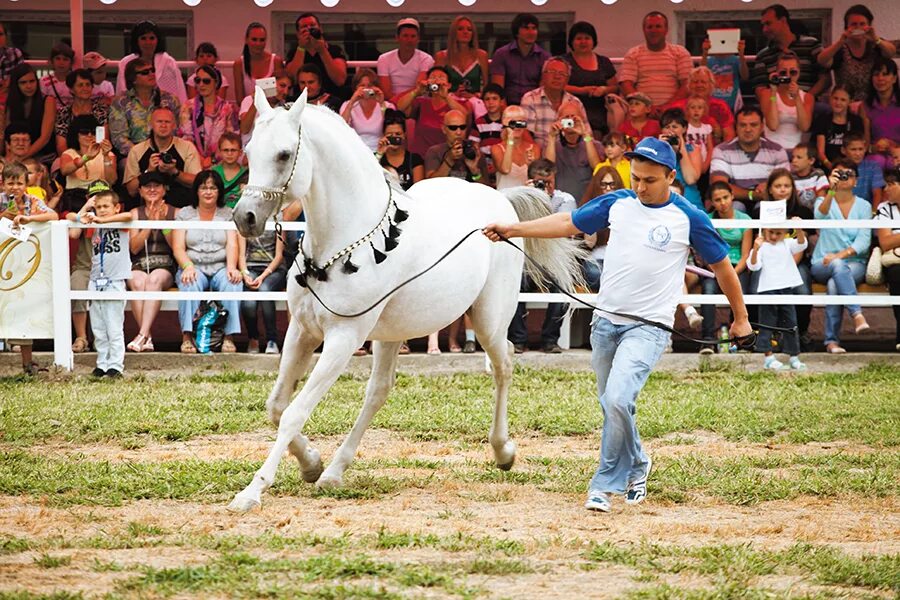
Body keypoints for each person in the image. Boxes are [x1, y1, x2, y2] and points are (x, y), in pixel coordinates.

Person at [482, 137, 751, 513]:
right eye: (636, 178)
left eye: (650, 180)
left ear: (671, 177)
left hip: (648, 327)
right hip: (605, 323)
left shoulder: (688, 216)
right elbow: (567, 222)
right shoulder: (618, 203)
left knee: (619, 398)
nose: (640, 187)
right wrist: (514, 229)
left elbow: (722, 267)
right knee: (613, 405)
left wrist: (741, 318)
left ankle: (604, 484)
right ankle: (638, 463)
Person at [171, 170, 242, 354]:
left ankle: (229, 336)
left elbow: (232, 244)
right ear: (196, 191)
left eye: (213, 188)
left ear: (219, 191)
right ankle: (187, 336)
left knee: (233, 283)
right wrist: (187, 267)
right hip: (193, 266)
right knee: (189, 284)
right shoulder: (185, 214)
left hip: (220, 266)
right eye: (203, 187)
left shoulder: (227, 214)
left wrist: (232, 268)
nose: (208, 192)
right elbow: (178, 247)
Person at [66, 189, 133, 378]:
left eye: (106, 206)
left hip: (115, 281)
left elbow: (129, 216)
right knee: (98, 327)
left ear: (116, 207)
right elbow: (73, 228)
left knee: (113, 326)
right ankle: (101, 363)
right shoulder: (93, 224)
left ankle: (115, 365)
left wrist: (102, 220)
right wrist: (86, 209)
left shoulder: (120, 222)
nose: (102, 210)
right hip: (95, 281)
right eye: (99, 207)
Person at [1, 161, 58, 374]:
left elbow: (52, 216)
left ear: (27, 184)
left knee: (23, 315)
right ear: (3, 184)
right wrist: (4, 216)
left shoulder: (33, 200)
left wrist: (28, 217)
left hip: (24, 268)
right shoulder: (0, 200)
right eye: (10, 183)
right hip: (2, 265)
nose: (14, 187)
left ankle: (27, 365)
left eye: (18, 183)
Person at [811, 159, 872, 354]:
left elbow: (863, 242)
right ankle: (857, 314)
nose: (844, 178)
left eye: (849, 174)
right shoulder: (822, 201)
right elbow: (820, 217)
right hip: (822, 263)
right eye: (839, 173)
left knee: (834, 284)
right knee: (836, 267)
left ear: (856, 181)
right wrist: (831, 189)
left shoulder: (863, 206)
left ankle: (831, 342)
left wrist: (839, 255)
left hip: (853, 263)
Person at [126, 171, 179, 353]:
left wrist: (163, 223)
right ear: (140, 191)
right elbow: (133, 248)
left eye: (156, 186)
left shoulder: (176, 212)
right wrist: (149, 223)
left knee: (154, 280)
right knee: (137, 280)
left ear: (164, 190)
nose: (152, 189)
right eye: (147, 186)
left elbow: (176, 247)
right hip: (140, 263)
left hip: (165, 264)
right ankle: (146, 337)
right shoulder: (135, 213)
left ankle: (142, 335)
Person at [698, 182, 751, 353]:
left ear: (732, 196)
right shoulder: (707, 220)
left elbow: (745, 255)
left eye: (725, 197)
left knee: (740, 289)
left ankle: (739, 339)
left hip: (738, 266)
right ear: (712, 202)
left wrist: (730, 275)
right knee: (707, 289)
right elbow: (705, 253)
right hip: (714, 266)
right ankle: (707, 340)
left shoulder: (745, 220)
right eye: (717, 199)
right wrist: (721, 273)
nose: (722, 202)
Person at [747, 223, 807, 371]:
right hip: (767, 288)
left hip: (786, 287)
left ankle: (794, 356)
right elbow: (753, 266)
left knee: (791, 323)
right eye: (771, 232)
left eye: (778, 233)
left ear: (785, 232)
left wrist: (798, 229)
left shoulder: (787, 244)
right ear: (765, 230)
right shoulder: (761, 246)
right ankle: (768, 357)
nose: (774, 236)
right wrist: (755, 249)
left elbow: (801, 244)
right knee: (767, 323)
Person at [710, 107, 790, 213]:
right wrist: (752, 195)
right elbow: (719, 187)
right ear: (736, 127)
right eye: (743, 125)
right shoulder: (722, 150)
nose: (748, 129)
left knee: (765, 208)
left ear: (762, 127)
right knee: (736, 207)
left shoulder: (777, 150)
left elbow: (786, 183)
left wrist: (769, 186)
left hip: (767, 200)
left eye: (753, 125)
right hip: (734, 201)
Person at [67, 179, 113, 354]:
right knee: (76, 283)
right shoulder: (84, 216)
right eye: (94, 196)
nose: (98, 200)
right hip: (84, 267)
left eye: (102, 196)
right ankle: (81, 337)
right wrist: (84, 209)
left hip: (108, 270)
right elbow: (73, 234)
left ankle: (103, 338)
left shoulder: (115, 214)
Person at [124, 107, 201, 209]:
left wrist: (174, 172)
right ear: (151, 124)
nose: (163, 125)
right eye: (159, 121)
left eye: (167, 122)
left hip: (181, 209)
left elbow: (198, 182)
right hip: (145, 209)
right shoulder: (137, 150)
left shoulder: (187, 147)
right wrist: (149, 171)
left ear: (174, 125)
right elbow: (131, 190)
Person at [817, 4, 896, 103]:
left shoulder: (875, 44)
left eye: (862, 24)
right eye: (854, 24)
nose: (858, 27)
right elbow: (821, 60)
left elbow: (891, 52)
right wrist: (840, 42)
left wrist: (876, 39)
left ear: (869, 26)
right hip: (847, 105)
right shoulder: (841, 49)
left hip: (873, 104)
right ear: (847, 27)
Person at [752, 4, 829, 101]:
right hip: (777, 110)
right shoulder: (763, 55)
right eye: (763, 25)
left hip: (809, 108)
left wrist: (805, 100)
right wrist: (775, 104)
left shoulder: (811, 44)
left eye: (768, 23)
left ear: (783, 21)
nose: (764, 29)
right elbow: (760, 90)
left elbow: (825, 79)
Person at [108, 58, 181, 160]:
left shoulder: (170, 99)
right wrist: (143, 155)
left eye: (152, 70)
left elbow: (178, 131)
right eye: (145, 72)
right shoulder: (121, 102)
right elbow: (119, 138)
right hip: (133, 154)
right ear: (133, 79)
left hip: (167, 151)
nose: (151, 74)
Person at [619, 12, 692, 108]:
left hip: (674, 111)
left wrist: (668, 106)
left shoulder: (680, 52)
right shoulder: (633, 54)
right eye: (649, 27)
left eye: (658, 26)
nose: (653, 30)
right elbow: (626, 85)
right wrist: (645, 107)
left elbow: (687, 84)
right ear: (644, 30)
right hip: (640, 112)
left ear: (666, 30)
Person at [562, 21, 617, 138]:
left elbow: (615, 86)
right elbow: (557, 86)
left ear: (593, 41)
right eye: (579, 38)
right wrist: (582, 90)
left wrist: (604, 90)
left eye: (587, 38)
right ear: (571, 41)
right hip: (570, 114)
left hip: (599, 117)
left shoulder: (604, 62)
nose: (583, 42)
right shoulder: (563, 61)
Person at [239, 215, 285, 355]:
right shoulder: (244, 219)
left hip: (274, 270)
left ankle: (272, 340)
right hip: (250, 269)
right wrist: (245, 273)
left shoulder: (278, 218)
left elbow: (279, 255)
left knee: (264, 290)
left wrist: (264, 275)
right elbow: (241, 255)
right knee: (249, 303)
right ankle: (253, 338)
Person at [398, 66, 468, 158]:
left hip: (447, 157)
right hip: (420, 157)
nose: (436, 81)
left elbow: (464, 116)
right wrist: (416, 91)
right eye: (433, 77)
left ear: (449, 85)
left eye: (441, 77)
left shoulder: (458, 103)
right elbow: (400, 107)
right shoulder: (421, 102)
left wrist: (446, 96)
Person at [179, 65, 239, 169]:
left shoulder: (227, 108)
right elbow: (185, 137)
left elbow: (231, 138)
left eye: (206, 81)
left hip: (221, 162)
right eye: (198, 80)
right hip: (192, 160)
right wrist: (200, 159)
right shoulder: (188, 107)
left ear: (216, 83)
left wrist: (212, 159)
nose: (201, 84)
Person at [521, 57, 588, 149]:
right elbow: (524, 132)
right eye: (552, 72)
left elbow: (587, 134)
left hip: (571, 154)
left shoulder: (575, 102)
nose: (557, 77)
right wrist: (537, 155)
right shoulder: (530, 99)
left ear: (567, 79)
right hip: (541, 156)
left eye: (562, 74)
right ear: (543, 75)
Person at [116, 20, 187, 103]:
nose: (148, 42)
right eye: (143, 38)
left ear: (158, 40)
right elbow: (122, 92)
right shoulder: (125, 63)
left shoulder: (169, 62)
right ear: (136, 41)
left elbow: (180, 93)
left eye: (152, 38)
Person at [543, 102, 603, 201]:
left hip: (587, 202)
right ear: (559, 120)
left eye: (574, 117)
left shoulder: (594, 145)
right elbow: (548, 169)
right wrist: (552, 137)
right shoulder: (552, 145)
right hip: (561, 202)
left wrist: (585, 135)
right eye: (567, 117)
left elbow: (597, 168)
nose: (570, 120)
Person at [579, 165, 625, 290]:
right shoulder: (589, 206)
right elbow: (588, 244)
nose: (608, 189)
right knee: (593, 274)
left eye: (612, 184)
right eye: (603, 185)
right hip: (596, 259)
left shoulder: (627, 206)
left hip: (621, 259)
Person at [58, 115, 117, 212]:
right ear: (76, 135)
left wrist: (105, 156)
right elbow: (64, 170)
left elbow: (112, 180)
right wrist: (86, 157)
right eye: (84, 132)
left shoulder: (108, 154)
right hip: (75, 197)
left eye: (93, 132)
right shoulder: (69, 153)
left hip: (101, 196)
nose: (89, 135)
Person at [489, 13, 551, 106]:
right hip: (507, 105)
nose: (531, 32)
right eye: (526, 28)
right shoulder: (501, 54)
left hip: (534, 105)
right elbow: (498, 90)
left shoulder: (544, 57)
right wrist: (505, 111)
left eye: (534, 28)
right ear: (516, 32)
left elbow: (543, 90)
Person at [284, 13, 348, 101]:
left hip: (332, 100)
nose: (309, 29)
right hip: (303, 101)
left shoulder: (334, 50)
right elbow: (292, 80)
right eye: (304, 27)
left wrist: (322, 51)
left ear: (320, 29)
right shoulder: (294, 53)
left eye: (312, 25)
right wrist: (301, 48)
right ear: (298, 34)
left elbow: (340, 80)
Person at [759, 52, 814, 152]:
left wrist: (797, 96)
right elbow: (773, 125)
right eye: (783, 73)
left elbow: (804, 126)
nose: (788, 76)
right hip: (771, 149)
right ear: (777, 73)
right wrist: (773, 92)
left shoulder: (807, 97)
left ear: (799, 73)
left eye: (793, 72)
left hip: (795, 152)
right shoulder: (767, 94)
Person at [664, 67, 735, 143]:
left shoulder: (720, 106)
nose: (699, 85)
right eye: (695, 82)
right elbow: (669, 135)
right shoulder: (677, 107)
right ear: (689, 85)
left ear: (711, 85)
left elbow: (729, 136)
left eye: (703, 82)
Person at [3, 64, 56, 165]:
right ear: (16, 85)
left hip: (44, 155)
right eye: (23, 82)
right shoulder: (11, 103)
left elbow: (45, 138)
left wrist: (21, 158)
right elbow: (8, 135)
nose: (29, 86)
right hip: (17, 154)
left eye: (32, 81)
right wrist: (10, 157)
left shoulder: (48, 101)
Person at [54, 69, 110, 155]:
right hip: (70, 157)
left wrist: (89, 157)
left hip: (97, 155)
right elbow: (61, 146)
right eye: (80, 85)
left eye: (88, 85)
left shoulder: (100, 111)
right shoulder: (63, 113)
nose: (85, 88)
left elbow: (103, 142)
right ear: (71, 89)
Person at [340, 68, 395, 152]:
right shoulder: (347, 105)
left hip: (382, 150)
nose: (366, 89)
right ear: (355, 88)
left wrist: (381, 104)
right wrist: (352, 102)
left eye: (370, 86)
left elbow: (391, 129)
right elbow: (341, 128)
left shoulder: (388, 106)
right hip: (355, 151)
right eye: (362, 86)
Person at [378, 18, 434, 101]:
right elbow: (386, 92)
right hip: (391, 103)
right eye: (405, 36)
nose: (409, 40)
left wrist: (403, 102)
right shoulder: (384, 59)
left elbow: (419, 88)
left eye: (413, 36)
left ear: (418, 39)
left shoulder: (426, 59)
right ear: (397, 38)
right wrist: (399, 102)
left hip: (416, 102)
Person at [813, 85, 865, 171]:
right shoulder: (822, 120)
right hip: (827, 166)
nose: (838, 103)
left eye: (843, 100)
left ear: (850, 101)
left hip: (850, 166)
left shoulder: (856, 121)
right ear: (830, 98)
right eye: (835, 98)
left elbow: (858, 148)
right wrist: (831, 167)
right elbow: (820, 153)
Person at [434, 16, 488, 99]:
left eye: (469, 30)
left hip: (475, 104)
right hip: (448, 104)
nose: (465, 32)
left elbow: (487, 87)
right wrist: (452, 95)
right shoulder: (441, 56)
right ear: (453, 33)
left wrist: (474, 96)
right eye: (460, 29)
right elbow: (435, 88)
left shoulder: (481, 55)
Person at [875, 168, 900, 352]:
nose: (886, 188)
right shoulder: (884, 208)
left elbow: (892, 238)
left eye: (891, 184)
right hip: (896, 261)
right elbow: (885, 242)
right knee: (896, 273)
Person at [659, 108, 703, 210]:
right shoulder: (656, 150)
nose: (670, 130)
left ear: (684, 129)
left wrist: (681, 145)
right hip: (663, 200)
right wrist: (661, 148)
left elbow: (690, 179)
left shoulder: (693, 150)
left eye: (675, 126)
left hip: (689, 201)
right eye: (666, 127)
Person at [231, 22, 284, 105]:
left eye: (262, 40)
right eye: (254, 39)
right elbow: (240, 101)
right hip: (248, 112)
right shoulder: (239, 64)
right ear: (246, 39)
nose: (258, 44)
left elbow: (281, 94)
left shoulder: (276, 61)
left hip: (273, 111)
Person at [424, 109, 484, 182]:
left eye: (462, 127)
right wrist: (449, 160)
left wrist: (474, 171)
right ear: (444, 129)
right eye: (453, 128)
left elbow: (486, 189)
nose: (458, 132)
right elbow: (430, 184)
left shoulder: (474, 150)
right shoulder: (434, 151)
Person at [491, 105, 539, 190]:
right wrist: (510, 138)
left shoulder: (534, 148)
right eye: (513, 123)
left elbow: (537, 177)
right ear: (505, 124)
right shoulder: (497, 148)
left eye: (520, 122)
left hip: (527, 199)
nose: (517, 126)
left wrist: (530, 165)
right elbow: (505, 169)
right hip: (506, 199)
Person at [700, 32, 749, 113]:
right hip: (712, 105)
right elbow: (701, 74)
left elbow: (745, 76)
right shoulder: (708, 61)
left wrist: (741, 54)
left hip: (732, 105)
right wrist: (705, 53)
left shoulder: (736, 60)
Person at [239, 73, 293, 145]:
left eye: (289, 88)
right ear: (271, 84)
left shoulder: (284, 106)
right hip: (250, 147)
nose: (286, 92)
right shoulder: (249, 100)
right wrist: (257, 101)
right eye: (282, 86)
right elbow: (244, 129)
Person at [376, 113, 423, 192]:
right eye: (390, 134)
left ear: (404, 135)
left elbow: (418, 190)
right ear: (383, 135)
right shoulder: (378, 158)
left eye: (398, 134)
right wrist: (380, 153)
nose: (394, 137)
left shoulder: (414, 159)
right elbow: (370, 179)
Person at [860, 56, 900, 148]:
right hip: (876, 155)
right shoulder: (864, 106)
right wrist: (876, 147)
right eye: (876, 74)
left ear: (894, 78)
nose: (880, 78)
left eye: (885, 74)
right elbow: (865, 146)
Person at [470, 83, 506, 185]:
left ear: (502, 101)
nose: (491, 102)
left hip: (503, 164)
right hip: (484, 165)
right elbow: (474, 146)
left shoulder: (507, 122)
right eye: (487, 99)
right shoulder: (478, 123)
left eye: (494, 98)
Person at [842, 131, 884, 206]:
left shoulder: (873, 166)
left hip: (867, 211)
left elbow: (877, 194)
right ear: (843, 150)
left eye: (860, 149)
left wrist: (874, 214)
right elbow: (833, 193)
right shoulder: (839, 167)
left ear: (865, 149)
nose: (858, 153)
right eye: (853, 149)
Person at [212, 132, 248, 208]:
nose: (229, 153)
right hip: (219, 216)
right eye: (225, 150)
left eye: (233, 150)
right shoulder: (212, 173)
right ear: (219, 152)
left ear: (240, 152)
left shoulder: (247, 175)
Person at [791, 142, 829, 212]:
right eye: (793, 157)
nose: (794, 160)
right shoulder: (790, 177)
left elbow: (821, 200)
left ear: (811, 161)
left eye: (799, 157)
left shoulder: (818, 174)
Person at [685, 96, 715, 171]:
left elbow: (710, 148)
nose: (696, 110)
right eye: (693, 107)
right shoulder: (685, 128)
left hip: (704, 163)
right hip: (688, 164)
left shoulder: (707, 128)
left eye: (700, 108)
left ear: (704, 111)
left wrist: (706, 164)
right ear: (687, 110)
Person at [39, 42, 74, 107]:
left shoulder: (76, 80)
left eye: (65, 59)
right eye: (57, 58)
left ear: (71, 63)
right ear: (52, 61)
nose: (61, 62)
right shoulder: (43, 81)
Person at [0, 21, 24, 108]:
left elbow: (22, 81)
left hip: (12, 101)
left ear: (5, 36)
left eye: (0, 34)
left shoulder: (15, 53)